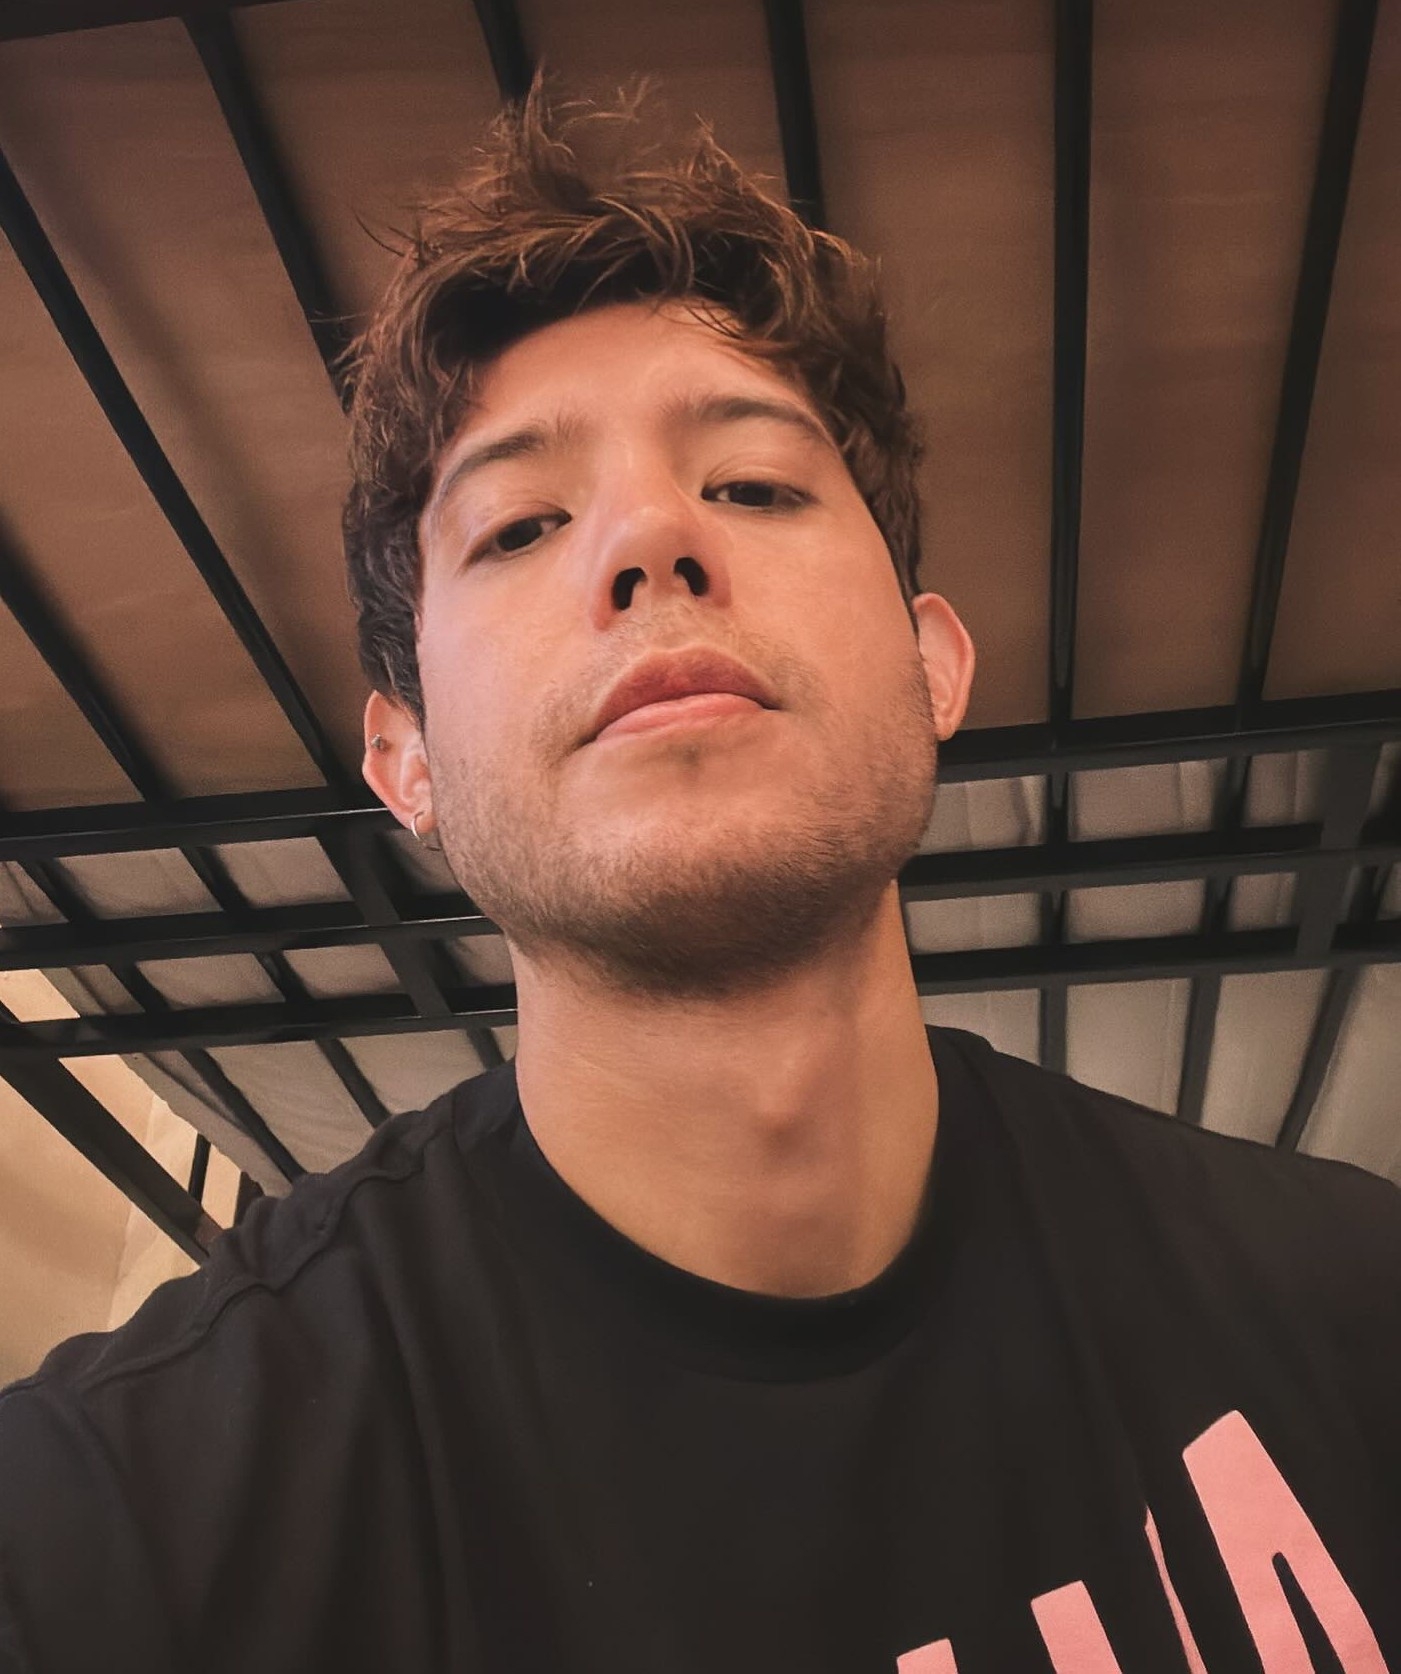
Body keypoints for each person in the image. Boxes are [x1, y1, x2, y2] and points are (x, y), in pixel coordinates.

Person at [1, 86, 1398, 1674]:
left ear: (930, 662)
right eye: (520, 524)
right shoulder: (130, 1522)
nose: (649, 537)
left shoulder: (1345, 1302)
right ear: (407, 759)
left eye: (752, 485)